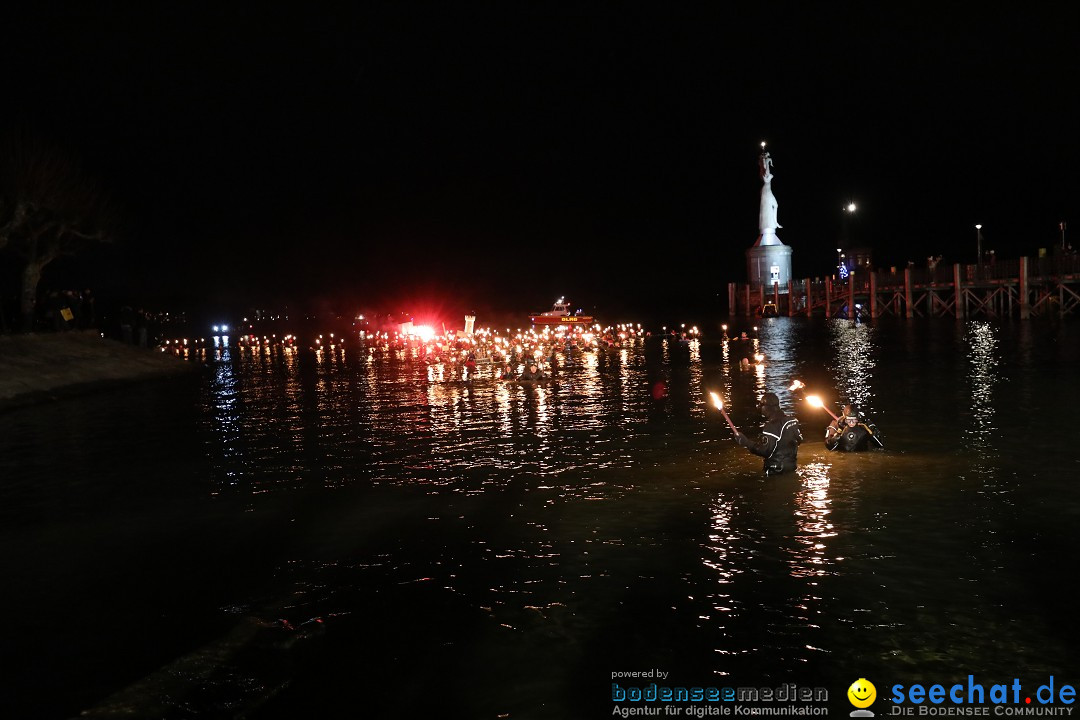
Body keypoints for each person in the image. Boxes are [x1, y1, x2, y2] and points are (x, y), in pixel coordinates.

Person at [734, 392, 802, 475]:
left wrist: (745, 442)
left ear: (768, 407)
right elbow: (799, 440)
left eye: (761, 405)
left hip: (776, 472)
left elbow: (765, 451)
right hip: (792, 468)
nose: (759, 407)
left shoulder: (771, 426)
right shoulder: (792, 421)